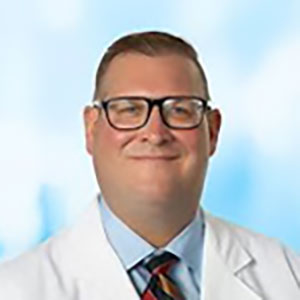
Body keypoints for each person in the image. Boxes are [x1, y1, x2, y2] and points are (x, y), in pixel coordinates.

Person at [0, 31, 299, 300]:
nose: (155, 133)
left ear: (212, 131)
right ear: (91, 129)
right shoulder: (16, 288)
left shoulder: (286, 275)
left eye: (179, 110)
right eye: (130, 109)